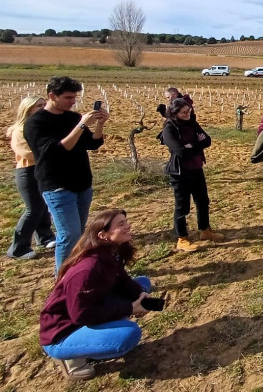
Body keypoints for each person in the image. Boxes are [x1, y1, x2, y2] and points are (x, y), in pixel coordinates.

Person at [39, 210, 153, 381]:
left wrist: (146, 300)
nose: (128, 226)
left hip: (91, 306)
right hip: (63, 331)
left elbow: (123, 281)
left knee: (142, 284)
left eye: (126, 221)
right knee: (129, 334)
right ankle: (72, 357)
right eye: (121, 224)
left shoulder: (109, 253)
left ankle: (95, 338)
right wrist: (129, 308)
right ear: (103, 235)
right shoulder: (87, 269)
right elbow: (81, 315)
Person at [24, 76, 107, 273]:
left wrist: (99, 124)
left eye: (74, 97)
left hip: (82, 183)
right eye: (69, 97)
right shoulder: (36, 123)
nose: (73, 102)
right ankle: (62, 279)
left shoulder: (72, 117)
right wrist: (80, 126)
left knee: (78, 233)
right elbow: (58, 150)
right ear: (52, 96)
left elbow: (92, 143)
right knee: (68, 234)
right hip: (57, 185)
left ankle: (77, 272)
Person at [161, 98, 224, 251]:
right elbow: (179, 151)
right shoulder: (169, 128)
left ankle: (205, 230)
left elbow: (207, 140)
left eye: (188, 111)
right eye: (183, 112)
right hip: (180, 173)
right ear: (175, 113)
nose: (187, 114)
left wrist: (191, 145)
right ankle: (182, 238)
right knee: (182, 206)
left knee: (203, 201)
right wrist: (196, 144)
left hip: (197, 169)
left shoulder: (192, 124)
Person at [6, 96, 56, 260]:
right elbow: (25, 153)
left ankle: (44, 237)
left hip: (41, 169)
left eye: (44, 105)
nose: (42, 108)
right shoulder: (19, 130)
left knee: (43, 205)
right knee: (33, 209)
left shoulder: (41, 126)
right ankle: (18, 248)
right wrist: (52, 151)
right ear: (27, 109)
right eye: (38, 106)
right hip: (27, 172)